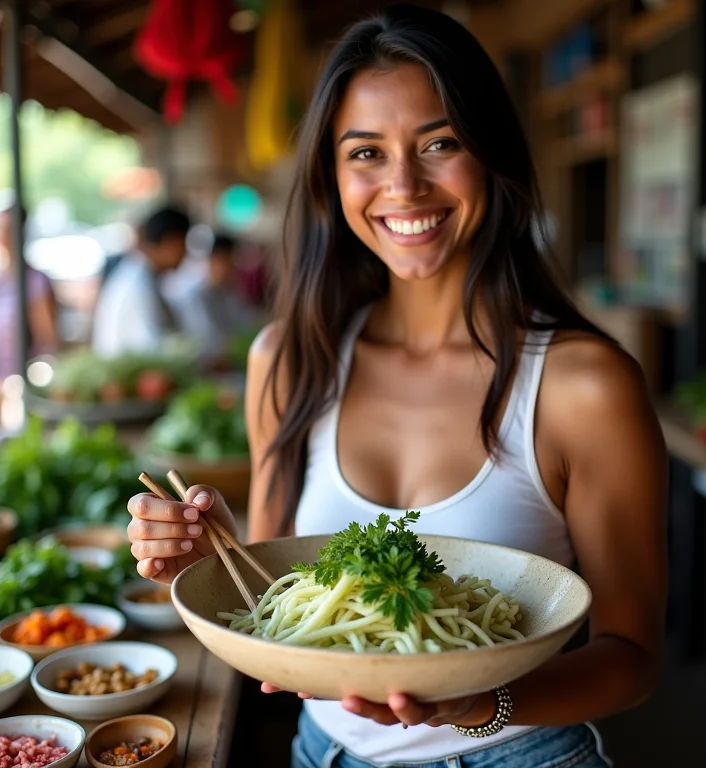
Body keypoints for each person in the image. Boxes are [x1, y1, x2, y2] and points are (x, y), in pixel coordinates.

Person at [126, 5, 668, 768]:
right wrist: (198, 566)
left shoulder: (583, 385)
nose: (404, 186)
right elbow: (263, 608)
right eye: (366, 153)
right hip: (322, 754)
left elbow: (633, 657)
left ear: (490, 154)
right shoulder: (289, 360)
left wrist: (486, 703)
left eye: (439, 143)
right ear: (331, 175)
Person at [92, 206, 190, 358]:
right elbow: (153, 352)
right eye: (183, 244)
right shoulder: (137, 287)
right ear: (171, 241)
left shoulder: (142, 276)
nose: (186, 253)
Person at [171, 233, 258, 366]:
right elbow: (208, 340)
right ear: (213, 260)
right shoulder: (196, 297)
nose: (233, 267)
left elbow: (246, 324)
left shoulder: (231, 293)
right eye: (228, 261)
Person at [0, 201, 58, 383]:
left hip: (18, 384)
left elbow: (48, 341)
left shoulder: (34, 282)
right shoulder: (3, 278)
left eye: (8, 229)